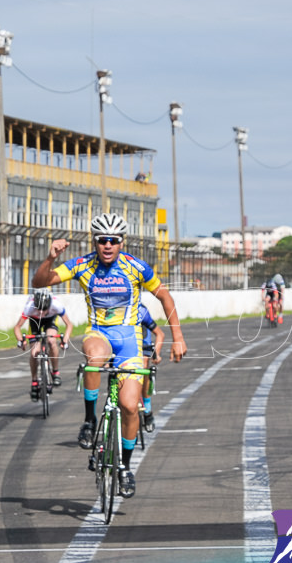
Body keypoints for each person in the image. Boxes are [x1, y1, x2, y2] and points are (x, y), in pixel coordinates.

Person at [31, 212, 187, 499]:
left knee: (130, 407)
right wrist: (50, 257)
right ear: (95, 241)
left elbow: (165, 296)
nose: (107, 246)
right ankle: (89, 420)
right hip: (99, 333)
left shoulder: (135, 267)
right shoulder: (82, 264)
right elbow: (41, 281)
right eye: (102, 240)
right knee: (95, 359)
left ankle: (125, 467)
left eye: (113, 241)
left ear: (121, 242)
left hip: (130, 340)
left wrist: (177, 337)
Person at [12, 287, 74, 401]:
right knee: (34, 352)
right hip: (34, 321)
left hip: (50, 320)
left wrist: (65, 339)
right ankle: (34, 381)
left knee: (51, 340)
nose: (41, 312)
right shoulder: (30, 307)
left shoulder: (56, 305)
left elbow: (69, 325)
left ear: (49, 305)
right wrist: (21, 340)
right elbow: (17, 327)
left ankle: (55, 372)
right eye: (38, 309)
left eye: (44, 309)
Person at [136, 302, 165, 431]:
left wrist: (156, 354)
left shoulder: (141, 310)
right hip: (123, 341)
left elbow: (160, 334)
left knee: (143, 366)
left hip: (142, 339)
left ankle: (147, 409)